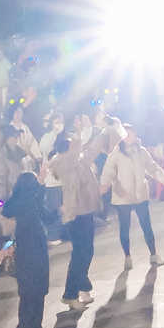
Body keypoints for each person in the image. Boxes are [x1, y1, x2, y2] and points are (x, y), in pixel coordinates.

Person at [50, 125, 108, 310]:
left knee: (85, 252)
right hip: (75, 215)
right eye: (73, 144)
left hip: (85, 211)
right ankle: (70, 294)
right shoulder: (66, 165)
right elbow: (72, 189)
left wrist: (103, 132)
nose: (77, 147)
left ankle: (83, 288)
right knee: (80, 255)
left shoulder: (77, 161)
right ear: (66, 148)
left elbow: (91, 151)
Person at [100, 125, 164, 265]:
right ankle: (127, 257)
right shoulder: (116, 153)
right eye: (126, 134)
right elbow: (108, 171)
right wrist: (104, 184)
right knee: (124, 228)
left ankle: (153, 255)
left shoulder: (141, 151)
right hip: (122, 196)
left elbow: (152, 168)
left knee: (146, 226)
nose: (129, 137)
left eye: (131, 134)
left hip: (140, 194)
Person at [2, 171, 52, 328]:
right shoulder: (22, 202)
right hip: (27, 252)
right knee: (29, 291)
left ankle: (36, 327)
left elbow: (48, 216)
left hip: (38, 251)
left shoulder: (31, 201)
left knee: (39, 289)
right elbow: (8, 209)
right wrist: (40, 188)